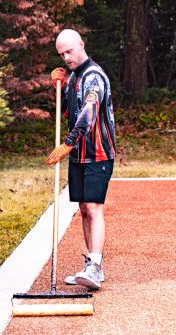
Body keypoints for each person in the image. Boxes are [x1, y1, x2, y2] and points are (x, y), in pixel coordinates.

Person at [46, 29, 117, 290]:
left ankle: (95, 267)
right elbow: (65, 110)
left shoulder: (94, 76)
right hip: (78, 154)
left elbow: (88, 114)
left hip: (97, 153)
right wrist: (59, 88)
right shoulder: (75, 76)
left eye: (69, 51)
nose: (66, 57)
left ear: (81, 45)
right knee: (84, 209)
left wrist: (67, 144)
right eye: (61, 53)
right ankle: (92, 264)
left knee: (94, 207)